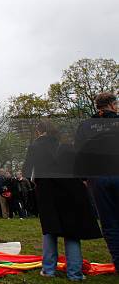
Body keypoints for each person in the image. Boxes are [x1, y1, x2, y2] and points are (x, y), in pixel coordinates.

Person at [24, 120, 101, 281]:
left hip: (47, 193)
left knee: (50, 230)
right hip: (70, 192)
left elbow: (27, 171)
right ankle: (75, 273)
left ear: (39, 131)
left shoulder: (35, 147)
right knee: (72, 232)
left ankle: (48, 270)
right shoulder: (67, 147)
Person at [75, 92, 119, 272]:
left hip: (98, 178)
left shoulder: (85, 126)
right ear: (112, 104)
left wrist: (84, 177)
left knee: (109, 223)